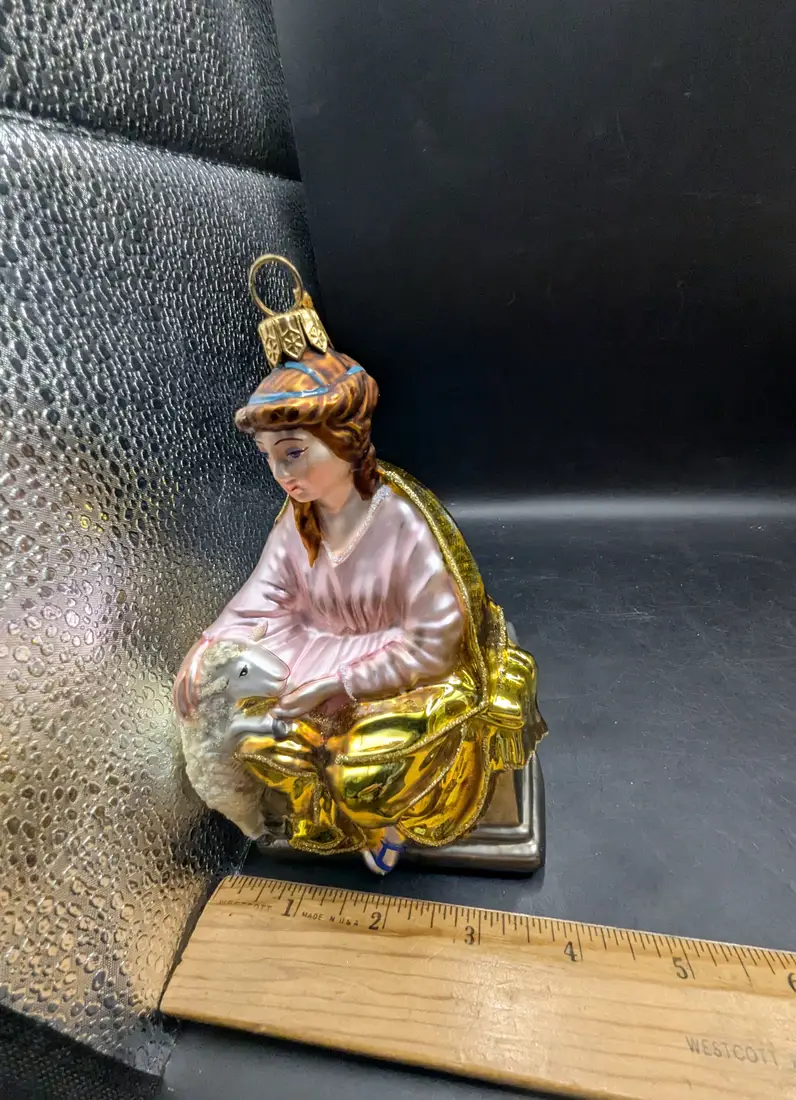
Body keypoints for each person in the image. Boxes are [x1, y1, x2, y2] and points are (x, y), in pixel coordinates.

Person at [174, 258, 546, 874]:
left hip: (397, 676)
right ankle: (324, 816)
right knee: (256, 736)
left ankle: (385, 820)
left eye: (294, 453)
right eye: (270, 457)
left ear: (345, 440)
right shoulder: (297, 521)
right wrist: (210, 645)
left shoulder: (401, 523)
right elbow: (264, 597)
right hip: (315, 653)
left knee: (364, 772)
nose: (282, 474)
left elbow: (435, 644)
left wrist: (339, 686)